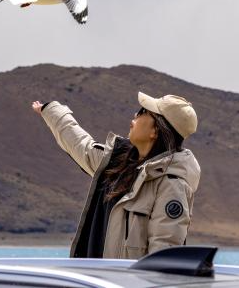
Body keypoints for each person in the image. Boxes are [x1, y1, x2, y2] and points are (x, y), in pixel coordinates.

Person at [32, 92, 200, 259]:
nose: (136, 115)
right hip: (96, 280)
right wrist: (52, 111)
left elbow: (164, 253)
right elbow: (81, 146)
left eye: (143, 112)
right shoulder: (117, 161)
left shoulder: (172, 184)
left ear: (155, 130)